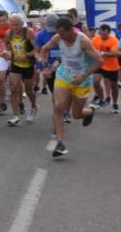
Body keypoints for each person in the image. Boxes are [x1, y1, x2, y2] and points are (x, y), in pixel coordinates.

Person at [40, 16, 102, 158]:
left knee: (76, 114)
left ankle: (89, 112)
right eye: (58, 34)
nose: (60, 37)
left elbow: (99, 61)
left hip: (82, 80)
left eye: (63, 34)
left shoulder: (83, 41)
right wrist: (44, 66)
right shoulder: (58, 37)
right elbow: (44, 49)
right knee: (58, 106)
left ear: (71, 30)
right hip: (63, 75)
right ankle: (61, 143)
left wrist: (83, 76)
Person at [4, 13, 38, 125]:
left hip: (28, 65)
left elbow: (37, 49)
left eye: (17, 25)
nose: (15, 27)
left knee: (29, 90)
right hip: (15, 64)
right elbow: (7, 47)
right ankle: (15, 116)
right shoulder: (8, 34)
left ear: (22, 24)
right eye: (12, 25)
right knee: (14, 89)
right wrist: (7, 53)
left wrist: (27, 55)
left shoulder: (29, 32)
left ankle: (34, 106)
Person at [91, 24, 120, 112]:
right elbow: (91, 50)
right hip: (100, 64)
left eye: (105, 34)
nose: (103, 36)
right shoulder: (95, 39)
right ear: (99, 32)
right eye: (101, 34)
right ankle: (102, 99)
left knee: (114, 87)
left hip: (112, 67)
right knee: (95, 82)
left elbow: (115, 54)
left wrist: (103, 53)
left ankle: (115, 103)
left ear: (109, 33)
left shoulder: (114, 40)